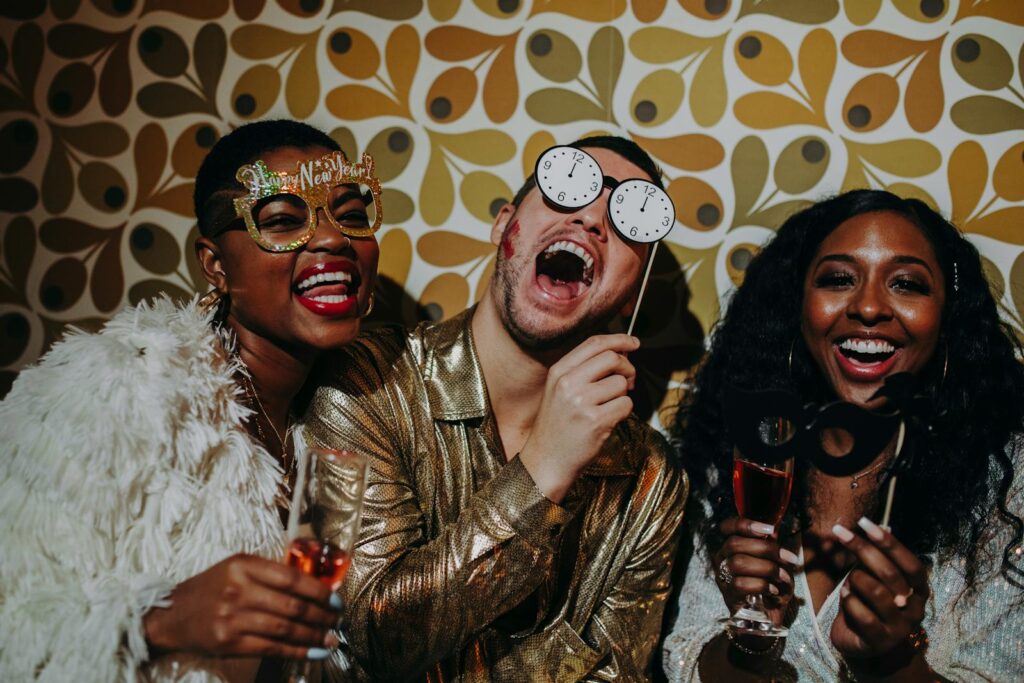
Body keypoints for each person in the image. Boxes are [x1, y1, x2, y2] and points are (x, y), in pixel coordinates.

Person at [0, 119, 381, 681]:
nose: (331, 240)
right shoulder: (116, 390)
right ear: (215, 265)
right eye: (281, 221)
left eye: (350, 215)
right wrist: (159, 623)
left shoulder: (357, 410)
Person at [305, 136, 689, 681]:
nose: (590, 220)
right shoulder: (370, 381)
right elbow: (370, 638)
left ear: (632, 295)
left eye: (628, 222)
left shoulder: (651, 480)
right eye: (567, 188)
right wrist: (543, 471)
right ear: (504, 224)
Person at [662, 189, 1024, 681]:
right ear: (799, 308)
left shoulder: (1006, 483)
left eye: (906, 284)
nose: (869, 307)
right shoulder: (741, 458)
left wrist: (892, 660)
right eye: (838, 279)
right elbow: (690, 668)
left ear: (947, 318)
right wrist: (750, 643)